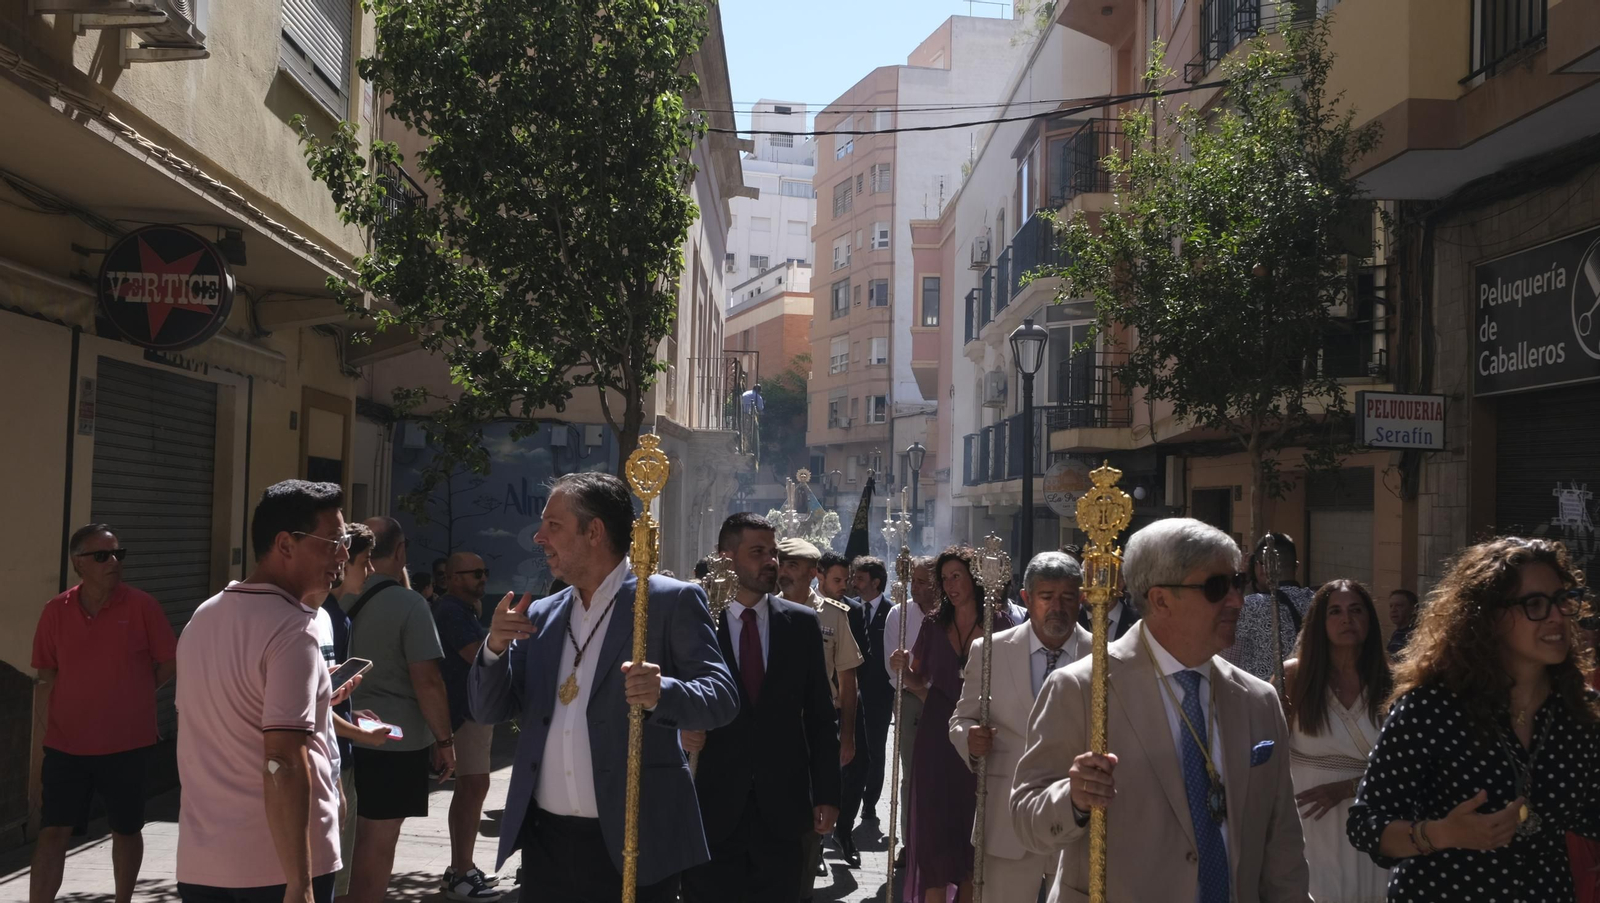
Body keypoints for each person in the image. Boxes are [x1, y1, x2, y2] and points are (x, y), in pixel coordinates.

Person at [469, 472, 739, 902]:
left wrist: (663, 692)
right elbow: (490, 710)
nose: (540, 537)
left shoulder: (668, 601)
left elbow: (721, 697)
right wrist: (494, 649)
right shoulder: (542, 613)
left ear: (594, 531)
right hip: (546, 843)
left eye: (553, 525)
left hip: (635, 837)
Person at [1012, 517, 1311, 903]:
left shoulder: (1258, 699)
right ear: (1161, 600)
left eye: (1237, 583)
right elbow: (1026, 817)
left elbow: (1282, 844)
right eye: (1217, 587)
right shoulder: (1084, 689)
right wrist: (1073, 798)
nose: (1236, 600)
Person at [1346, 537, 1600, 901]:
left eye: (1562, 600)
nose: (1557, 616)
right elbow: (1365, 824)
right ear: (1488, 618)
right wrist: (1442, 833)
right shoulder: (1431, 708)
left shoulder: (1581, 712)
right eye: (1536, 604)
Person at [173, 481, 352, 903]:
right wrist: (300, 882)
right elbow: (283, 760)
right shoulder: (293, 629)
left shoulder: (204, 615)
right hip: (277, 869)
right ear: (285, 544)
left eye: (344, 542)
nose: (343, 555)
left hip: (204, 863)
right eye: (333, 542)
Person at [680, 515, 841, 902]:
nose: (771, 562)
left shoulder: (800, 623)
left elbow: (820, 715)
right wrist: (679, 731)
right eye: (758, 552)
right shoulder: (696, 620)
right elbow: (664, 699)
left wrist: (828, 793)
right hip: (710, 808)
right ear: (726, 557)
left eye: (773, 552)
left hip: (782, 813)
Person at [30, 524, 177, 903]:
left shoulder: (143, 606)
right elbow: (47, 673)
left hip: (128, 744)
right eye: (102, 555)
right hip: (66, 745)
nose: (113, 562)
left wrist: (133, 693)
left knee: (126, 829)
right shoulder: (55, 611)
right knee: (52, 832)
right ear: (79, 563)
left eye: (117, 554)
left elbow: (167, 663)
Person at [951, 551, 1090, 902]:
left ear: (1083, 598)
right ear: (1027, 598)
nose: (1057, 607)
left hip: (1078, 826)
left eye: (1068, 597)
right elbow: (961, 718)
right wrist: (969, 739)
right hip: (1004, 820)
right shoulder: (990, 652)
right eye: (1046, 597)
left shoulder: (1105, 655)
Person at [891, 545, 1019, 903]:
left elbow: (1011, 683)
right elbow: (916, 681)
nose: (949, 585)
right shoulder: (933, 624)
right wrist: (902, 668)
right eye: (944, 578)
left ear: (974, 579)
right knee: (933, 828)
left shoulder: (1001, 624)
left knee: (969, 832)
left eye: (956, 576)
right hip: (936, 731)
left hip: (979, 736)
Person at [344, 517, 457, 903]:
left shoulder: (332, 595)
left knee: (341, 839)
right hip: (395, 741)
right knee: (378, 841)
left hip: (339, 733)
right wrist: (445, 740)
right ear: (401, 551)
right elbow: (427, 680)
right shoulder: (410, 604)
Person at [1280, 580, 1392, 903]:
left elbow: (1406, 765)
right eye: (1336, 612)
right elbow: (1268, 751)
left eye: (1356, 610)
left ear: (1369, 620)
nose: (1347, 619)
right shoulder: (1294, 678)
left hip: (1370, 815)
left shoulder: (1393, 680)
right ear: (1320, 621)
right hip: (1308, 820)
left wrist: (1345, 789)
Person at [775, 538, 862, 897]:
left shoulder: (832, 615)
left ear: (813, 573)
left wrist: (848, 737)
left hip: (818, 729)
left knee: (813, 815)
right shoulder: (765, 609)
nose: (784, 572)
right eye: (782, 563)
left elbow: (847, 679)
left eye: (794, 566)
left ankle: (803, 885)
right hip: (775, 727)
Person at [323, 523, 391, 900]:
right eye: (363, 562)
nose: (368, 571)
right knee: (330, 873)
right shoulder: (325, 616)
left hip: (338, 751)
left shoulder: (337, 615)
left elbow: (325, 695)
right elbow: (310, 707)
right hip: (330, 755)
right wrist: (360, 733)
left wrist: (353, 709)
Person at [433, 552, 503, 900]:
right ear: (452, 577)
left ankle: (461, 867)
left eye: (485, 571)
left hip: (471, 711)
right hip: (464, 713)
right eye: (475, 573)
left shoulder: (462, 610)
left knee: (472, 788)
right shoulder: (451, 611)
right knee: (473, 787)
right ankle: (462, 872)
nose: (483, 578)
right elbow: (476, 653)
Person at [881, 555, 940, 865]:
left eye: (923, 582)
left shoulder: (951, 615)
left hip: (947, 701)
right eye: (913, 582)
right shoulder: (898, 615)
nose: (916, 588)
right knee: (912, 775)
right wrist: (920, 689)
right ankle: (911, 841)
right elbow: (894, 670)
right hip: (912, 701)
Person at [837, 555, 894, 866]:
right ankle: (848, 798)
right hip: (851, 692)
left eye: (860, 578)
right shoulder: (846, 608)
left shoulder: (891, 612)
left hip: (879, 693)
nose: (853, 582)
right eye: (852, 577)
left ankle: (869, 803)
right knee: (854, 748)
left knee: (875, 749)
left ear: (876, 582)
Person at [1224, 532, 1316, 684]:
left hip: (1259, 701)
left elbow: (1226, 663)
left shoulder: (1249, 606)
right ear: (1296, 567)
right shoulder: (1316, 601)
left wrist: (1240, 579)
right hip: (1306, 697)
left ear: (1261, 568)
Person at [1386, 588, 1419, 659]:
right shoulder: (1397, 633)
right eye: (1391, 606)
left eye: (1399, 606)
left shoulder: (1416, 635)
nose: (1393, 610)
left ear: (1413, 609)